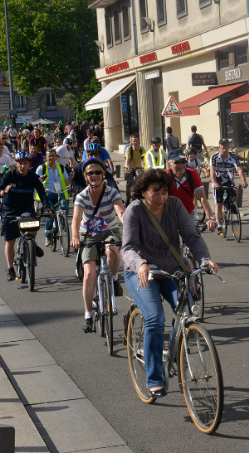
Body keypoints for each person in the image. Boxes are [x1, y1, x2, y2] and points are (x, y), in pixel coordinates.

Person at [121, 168, 219, 397]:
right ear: (143, 192)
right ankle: (154, 378)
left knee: (186, 311)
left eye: (165, 191)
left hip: (172, 270)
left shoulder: (175, 205)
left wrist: (205, 259)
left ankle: (175, 350)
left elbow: (192, 236)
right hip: (142, 272)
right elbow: (127, 248)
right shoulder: (134, 210)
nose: (162, 197)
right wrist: (140, 264)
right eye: (156, 192)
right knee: (155, 318)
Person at [71, 158, 126, 332]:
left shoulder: (111, 192)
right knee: (89, 274)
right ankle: (88, 315)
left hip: (109, 229)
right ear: (86, 177)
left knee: (112, 253)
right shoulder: (82, 196)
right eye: (90, 173)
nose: (94, 176)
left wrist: (127, 224)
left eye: (97, 172)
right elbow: (76, 219)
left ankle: (115, 279)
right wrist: (74, 237)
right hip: (88, 234)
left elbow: (120, 211)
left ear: (104, 175)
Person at [0, 151, 51, 281]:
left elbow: (42, 194)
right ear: (16, 164)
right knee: (10, 240)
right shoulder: (9, 176)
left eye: (25, 163)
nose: (22, 166)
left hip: (26, 208)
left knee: (33, 223)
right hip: (9, 210)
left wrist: (47, 208)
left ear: (29, 164)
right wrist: (4, 191)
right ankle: (10, 269)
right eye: (20, 163)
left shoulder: (33, 177)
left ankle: (31, 242)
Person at [166, 149, 216, 232]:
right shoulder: (165, 176)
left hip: (187, 213)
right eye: (177, 162)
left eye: (183, 161)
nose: (181, 165)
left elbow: (202, 197)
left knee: (194, 240)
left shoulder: (192, 174)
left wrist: (210, 218)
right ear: (169, 165)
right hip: (168, 215)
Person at [210, 138, 247, 233]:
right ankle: (220, 225)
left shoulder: (233, 157)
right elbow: (212, 170)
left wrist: (244, 180)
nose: (225, 147)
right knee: (218, 204)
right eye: (223, 145)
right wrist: (214, 182)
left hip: (229, 178)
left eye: (227, 145)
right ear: (220, 147)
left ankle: (230, 205)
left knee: (236, 190)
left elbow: (239, 169)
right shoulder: (214, 157)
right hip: (218, 179)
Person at [36, 148, 70, 246]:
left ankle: (63, 223)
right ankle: (48, 235)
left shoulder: (61, 167)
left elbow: (66, 179)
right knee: (50, 214)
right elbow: (35, 181)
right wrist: (40, 179)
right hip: (48, 194)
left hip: (60, 192)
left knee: (65, 207)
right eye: (49, 156)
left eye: (53, 155)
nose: (51, 158)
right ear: (46, 157)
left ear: (56, 157)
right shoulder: (41, 168)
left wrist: (70, 185)